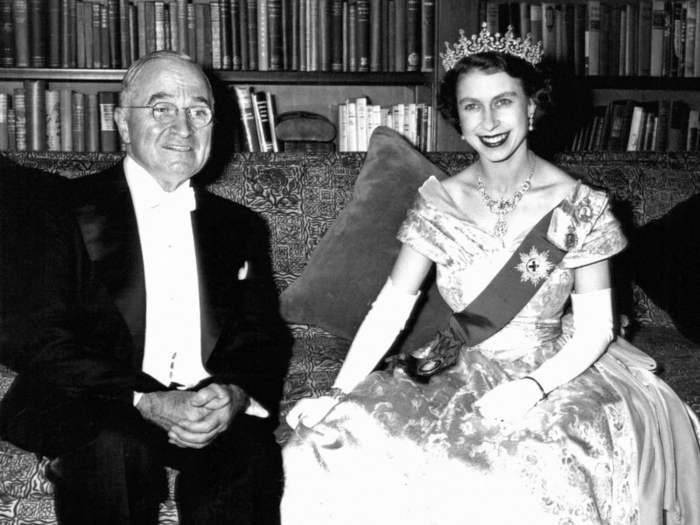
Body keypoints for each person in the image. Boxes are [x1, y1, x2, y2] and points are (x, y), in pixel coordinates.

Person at [281, 25, 700, 525]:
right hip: (459, 361)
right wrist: (336, 392)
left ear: (532, 107)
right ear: (457, 119)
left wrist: (532, 388)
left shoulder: (579, 208)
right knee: (327, 443)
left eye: (503, 101)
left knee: (519, 471)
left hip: (557, 373)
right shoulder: (438, 201)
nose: (490, 121)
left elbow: (596, 330)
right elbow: (390, 309)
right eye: (472, 106)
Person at [0, 50, 290, 525]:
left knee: (247, 459)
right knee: (116, 449)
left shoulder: (240, 226)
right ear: (121, 121)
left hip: (201, 403)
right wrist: (147, 399)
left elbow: (263, 336)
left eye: (199, 112)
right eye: (161, 110)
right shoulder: (61, 210)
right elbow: (30, 333)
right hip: (98, 401)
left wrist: (234, 394)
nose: (184, 129)